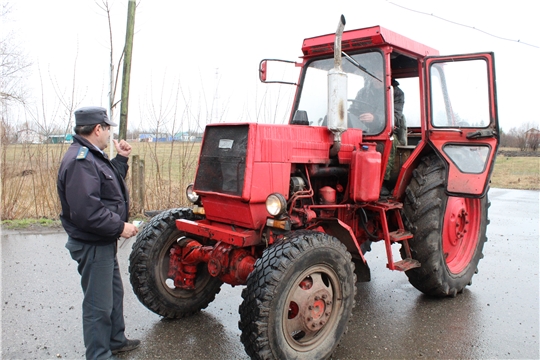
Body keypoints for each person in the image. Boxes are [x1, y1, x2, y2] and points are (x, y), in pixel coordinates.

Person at [57, 106, 140, 360]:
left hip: (102, 241)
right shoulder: (81, 160)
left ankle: (115, 340)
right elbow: (88, 211)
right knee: (97, 304)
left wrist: (122, 159)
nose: (109, 134)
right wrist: (120, 227)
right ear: (97, 129)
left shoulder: (93, 155)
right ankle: (98, 354)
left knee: (113, 294)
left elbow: (106, 183)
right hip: (92, 244)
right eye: (107, 129)